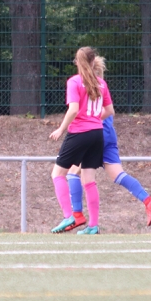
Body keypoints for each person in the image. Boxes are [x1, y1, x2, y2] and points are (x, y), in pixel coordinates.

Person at [63, 56, 151, 231]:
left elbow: (88, 114)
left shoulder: (89, 91)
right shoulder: (101, 90)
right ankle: (147, 200)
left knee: (73, 173)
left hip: (95, 135)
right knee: (118, 175)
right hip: (109, 136)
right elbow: (109, 111)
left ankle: (77, 216)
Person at [48, 46, 114, 235]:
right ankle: (93, 225)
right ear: (93, 62)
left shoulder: (74, 81)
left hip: (79, 133)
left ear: (77, 62)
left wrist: (61, 129)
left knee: (57, 174)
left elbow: (74, 109)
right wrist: (93, 120)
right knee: (89, 180)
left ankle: (68, 216)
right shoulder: (102, 83)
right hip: (97, 134)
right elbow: (110, 111)